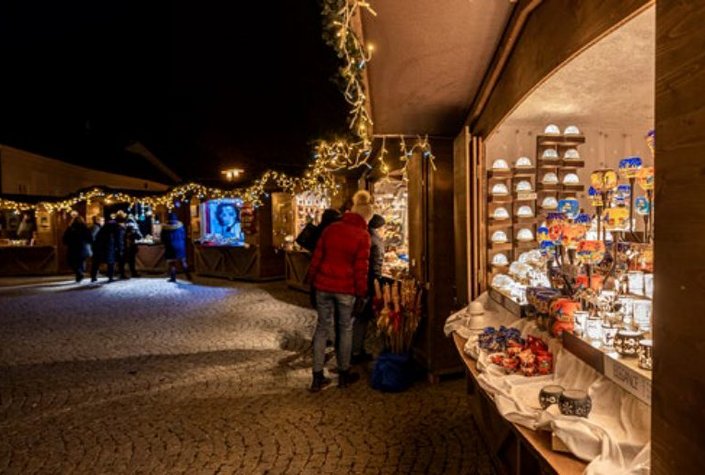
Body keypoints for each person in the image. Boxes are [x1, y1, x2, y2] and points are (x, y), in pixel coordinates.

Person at [307, 190, 373, 391]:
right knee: (345, 329)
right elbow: (361, 269)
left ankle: (317, 376)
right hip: (346, 290)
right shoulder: (363, 236)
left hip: (323, 286)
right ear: (366, 217)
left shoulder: (332, 229)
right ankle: (344, 373)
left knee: (322, 328)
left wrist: (312, 282)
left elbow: (317, 257)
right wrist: (361, 294)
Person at [352, 213, 385, 364]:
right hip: (369, 284)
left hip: (361, 283)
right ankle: (356, 351)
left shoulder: (363, 236)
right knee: (363, 318)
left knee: (360, 318)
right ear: (379, 227)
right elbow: (375, 267)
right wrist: (377, 285)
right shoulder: (376, 242)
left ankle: (355, 349)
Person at [91, 214, 125, 283]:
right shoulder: (117, 226)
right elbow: (118, 239)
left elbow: (99, 235)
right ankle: (110, 277)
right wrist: (120, 248)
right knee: (111, 262)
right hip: (110, 245)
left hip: (100, 245)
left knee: (97, 261)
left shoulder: (106, 225)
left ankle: (93, 276)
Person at [161, 212, 191, 282]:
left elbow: (162, 238)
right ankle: (188, 276)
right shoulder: (180, 226)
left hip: (170, 246)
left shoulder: (165, 228)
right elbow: (184, 235)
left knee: (172, 263)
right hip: (180, 245)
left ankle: (173, 277)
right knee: (183, 261)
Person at [62, 215, 93, 283]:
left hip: (73, 248)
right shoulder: (85, 228)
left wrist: (68, 242)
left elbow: (65, 238)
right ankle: (80, 273)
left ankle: (79, 273)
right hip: (84, 248)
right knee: (81, 261)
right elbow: (90, 238)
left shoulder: (70, 228)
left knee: (72, 262)